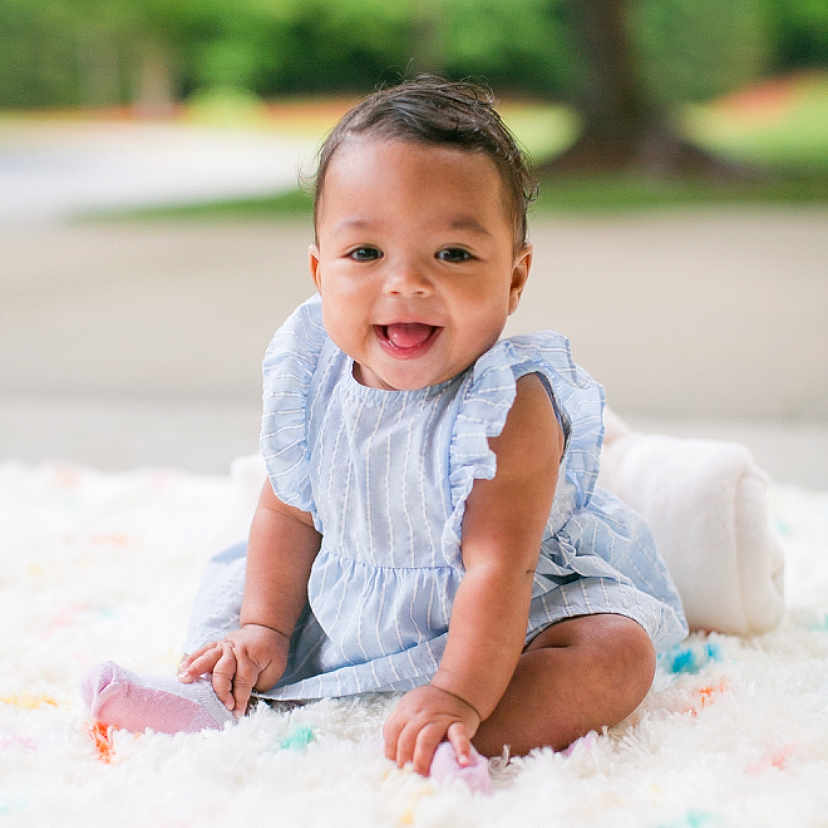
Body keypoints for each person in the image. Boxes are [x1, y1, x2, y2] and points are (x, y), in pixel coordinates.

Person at [83, 76, 688, 780]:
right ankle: (216, 698)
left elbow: (499, 567)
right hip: (344, 593)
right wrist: (264, 628)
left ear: (515, 280)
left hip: (506, 614)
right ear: (319, 271)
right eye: (366, 254)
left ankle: (465, 738)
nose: (406, 283)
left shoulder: (507, 408)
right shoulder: (311, 374)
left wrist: (460, 691)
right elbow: (287, 508)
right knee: (239, 588)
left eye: (454, 254)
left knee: (617, 655)